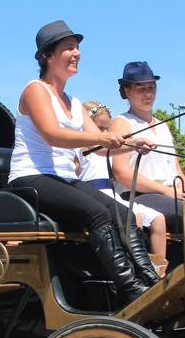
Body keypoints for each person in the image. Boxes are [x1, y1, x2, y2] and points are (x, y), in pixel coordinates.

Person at [8, 20, 160, 305]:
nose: (76, 53)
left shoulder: (74, 103)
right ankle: (132, 289)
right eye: (68, 48)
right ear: (46, 56)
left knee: (121, 212)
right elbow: (52, 135)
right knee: (98, 214)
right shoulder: (35, 90)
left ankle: (149, 280)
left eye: (77, 47)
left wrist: (130, 144)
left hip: (62, 179)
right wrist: (104, 139)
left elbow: (96, 146)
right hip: (31, 177)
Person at [109, 61, 185, 233]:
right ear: (127, 91)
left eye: (151, 88)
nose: (148, 94)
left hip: (172, 194)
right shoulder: (122, 123)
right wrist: (166, 191)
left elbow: (175, 166)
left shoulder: (163, 125)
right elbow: (120, 172)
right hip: (140, 196)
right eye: (141, 89)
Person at [80, 100, 168, 263]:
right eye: (100, 128)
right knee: (135, 217)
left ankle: (159, 269)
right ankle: (136, 269)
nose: (106, 132)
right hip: (93, 194)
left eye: (108, 128)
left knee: (159, 219)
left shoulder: (110, 150)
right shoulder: (83, 148)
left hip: (112, 194)